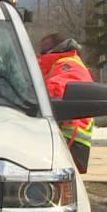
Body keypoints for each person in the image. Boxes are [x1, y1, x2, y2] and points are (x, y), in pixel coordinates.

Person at [37, 32, 94, 174]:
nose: (41, 55)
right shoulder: (55, 66)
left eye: (44, 51)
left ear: (57, 48)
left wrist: (31, 97)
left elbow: (55, 91)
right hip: (56, 137)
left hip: (69, 140)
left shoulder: (69, 65)